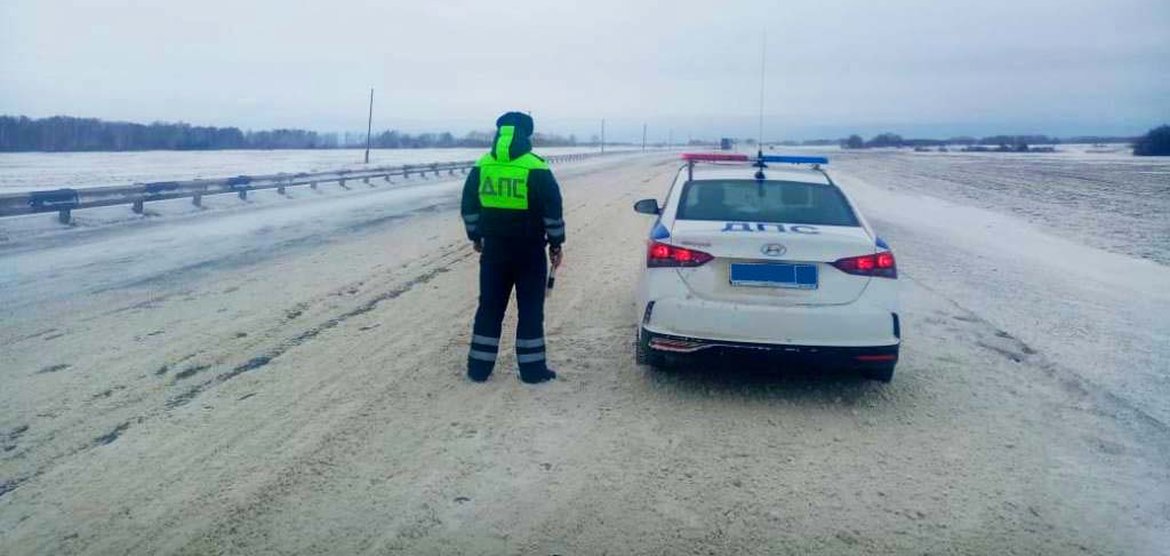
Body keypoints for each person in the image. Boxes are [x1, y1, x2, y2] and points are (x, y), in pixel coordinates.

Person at [460, 112, 564, 384]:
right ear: (526, 136)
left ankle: (478, 369)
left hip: (494, 250)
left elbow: (469, 207)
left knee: (489, 308)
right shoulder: (536, 167)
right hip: (529, 252)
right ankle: (532, 371)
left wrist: (476, 236)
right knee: (530, 310)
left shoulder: (482, 165)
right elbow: (552, 211)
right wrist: (556, 243)